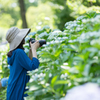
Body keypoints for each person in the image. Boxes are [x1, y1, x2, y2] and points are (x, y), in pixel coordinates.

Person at [6, 27, 40, 100]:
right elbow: (34, 67)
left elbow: (27, 66)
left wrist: (31, 51)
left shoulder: (13, 53)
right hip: (18, 91)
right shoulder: (19, 52)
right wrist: (34, 50)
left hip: (13, 90)